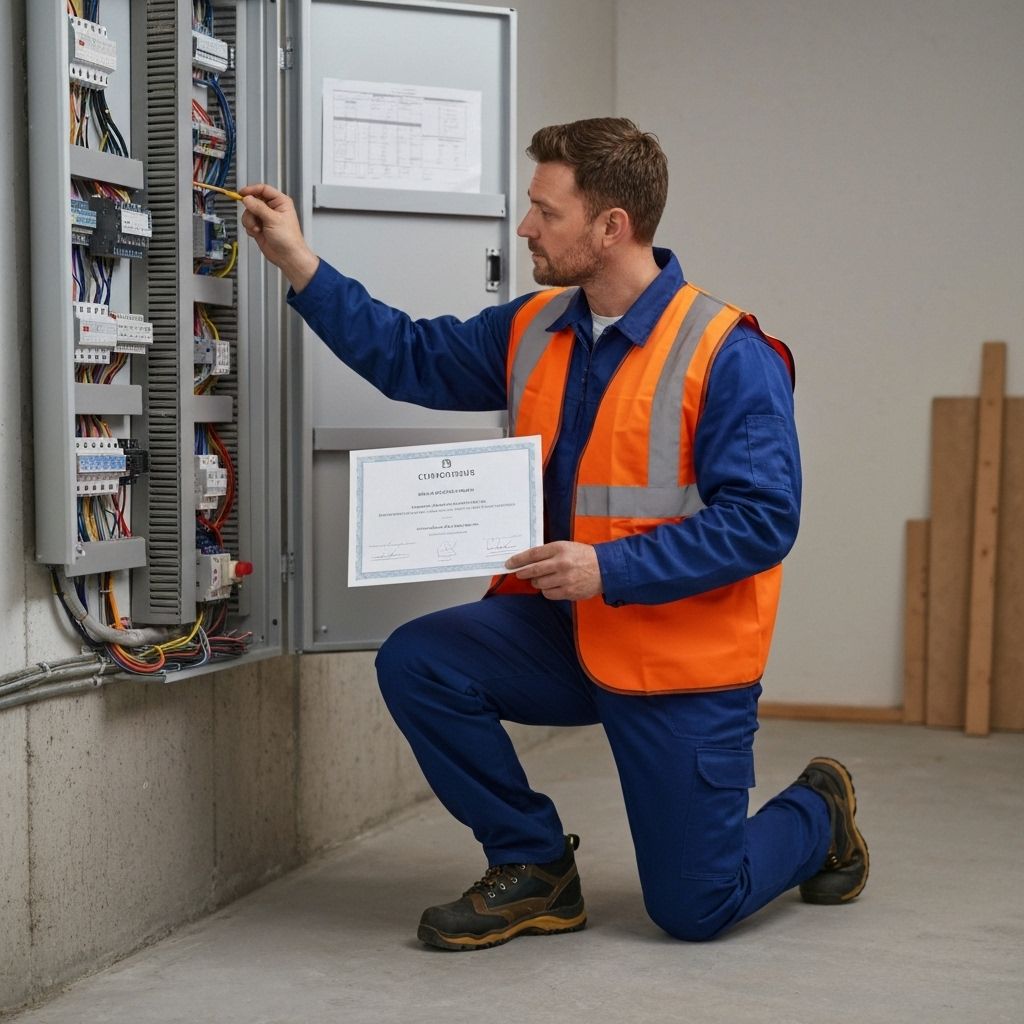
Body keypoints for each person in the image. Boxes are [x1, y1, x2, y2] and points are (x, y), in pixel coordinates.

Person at [240, 117, 868, 951]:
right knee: (420, 660)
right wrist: (297, 260)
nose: (526, 229)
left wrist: (607, 567)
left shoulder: (728, 353)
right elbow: (409, 357)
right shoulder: (533, 326)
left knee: (695, 908)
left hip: (678, 658)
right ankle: (535, 867)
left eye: (546, 211)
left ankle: (818, 812)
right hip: (564, 630)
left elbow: (761, 523)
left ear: (612, 227)